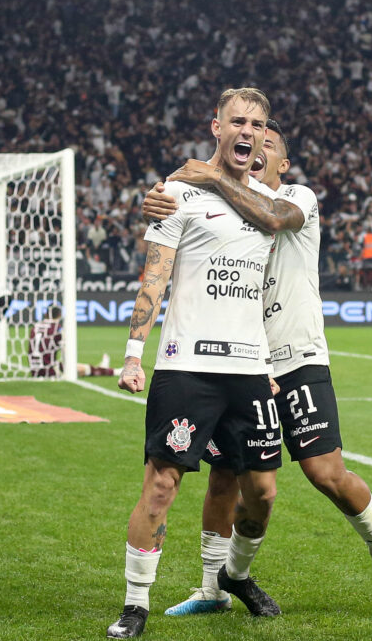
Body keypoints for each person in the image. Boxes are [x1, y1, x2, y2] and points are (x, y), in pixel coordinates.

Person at [143, 118, 372, 617]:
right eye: (250, 142)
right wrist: (160, 197)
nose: (256, 148)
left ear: (282, 163)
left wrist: (208, 176)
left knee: (324, 473)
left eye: (268, 145)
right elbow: (176, 219)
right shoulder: (218, 202)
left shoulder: (298, 197)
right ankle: (213, 587)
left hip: (297, 358)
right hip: (241, 363)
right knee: (224, 475)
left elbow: (275, 217)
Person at [106, 88, 282, 639]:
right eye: (237, 121)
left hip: (249, 371)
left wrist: (272, 363)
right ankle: (136, 603)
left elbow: (278, 241)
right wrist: (134, 355)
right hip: (187, 367)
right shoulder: (176, 193)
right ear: (217, 127)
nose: (247, 131)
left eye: (257, 123)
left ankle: (218, 586)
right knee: (161, 486)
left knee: (244, 486)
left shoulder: (270, 201)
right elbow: (154, 276)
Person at [28, 305, 119, 378]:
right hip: (49, 371)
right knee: (82, 369)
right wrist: (67, 371)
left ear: (46, 314)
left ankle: (101, 368)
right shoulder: (56, 328)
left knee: (76, 366)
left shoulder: (35, 327)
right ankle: (112, 371)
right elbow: (65, 352)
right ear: (59, 315)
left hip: (34, 369)